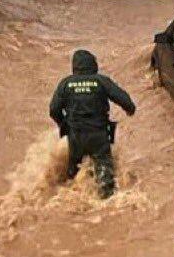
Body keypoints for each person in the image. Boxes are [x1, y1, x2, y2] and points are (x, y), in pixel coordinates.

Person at [49, 49, 136, 198]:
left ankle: (69, 204)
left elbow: (53, 110)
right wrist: (130, 109)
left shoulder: (65, 83)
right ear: (93, 65)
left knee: (73, 175)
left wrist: (63, 124)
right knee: (106, 180)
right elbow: (124, 100)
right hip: (99, 136)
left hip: (75, 136)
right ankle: (107, 208)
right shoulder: (101, 81)